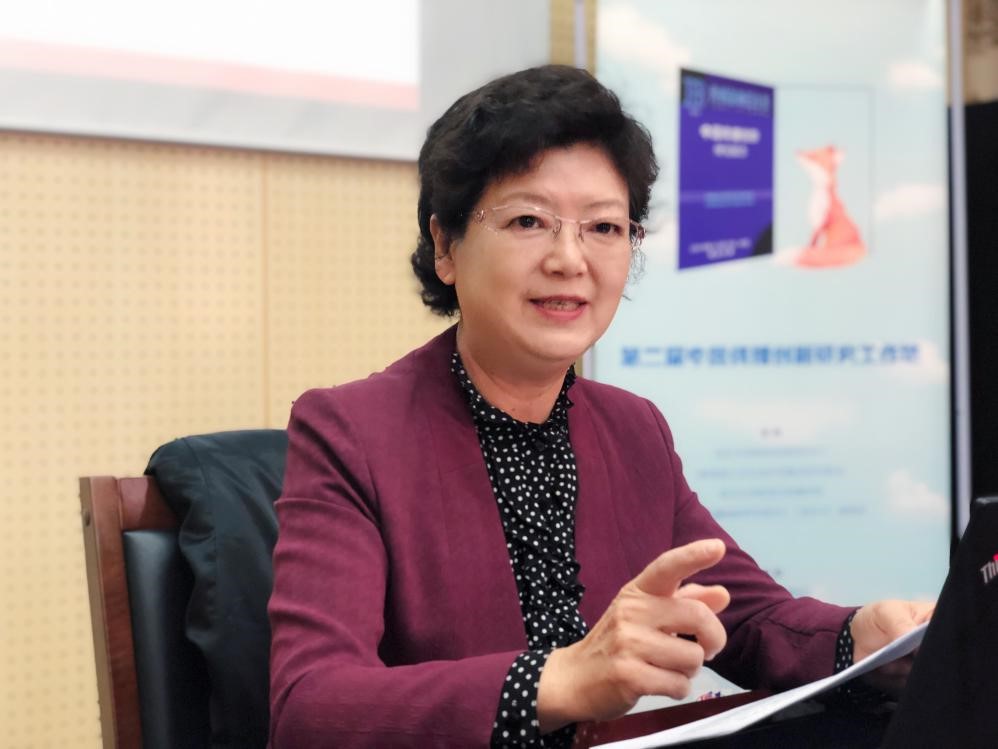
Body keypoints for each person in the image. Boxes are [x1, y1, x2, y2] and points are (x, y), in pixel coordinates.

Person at [267, 65, 932, 748]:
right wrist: (559, 680)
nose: (569, 258)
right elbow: (309, 708)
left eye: (604, 227)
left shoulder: (633, 427)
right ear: (445, 246)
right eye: (528, 220)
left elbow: (746, 617)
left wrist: (862, 638)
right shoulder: (350, 433)